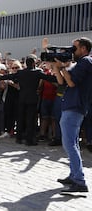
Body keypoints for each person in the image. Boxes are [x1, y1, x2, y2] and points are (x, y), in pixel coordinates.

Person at [51, 37, 92, 193]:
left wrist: (62, 67)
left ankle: (80, 181)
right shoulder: (80, 63)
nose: (71, 51)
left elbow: (72, 82)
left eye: (74, 48)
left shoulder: (86, 62)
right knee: (71, 143)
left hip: (76, 106)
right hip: (71, 105)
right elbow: (63, 82)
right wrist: (56, 67)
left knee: (69, 144)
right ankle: (73, 174)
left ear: (83, 49)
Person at [0, 54, 57, 146]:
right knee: (31, 119)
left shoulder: (21, 72)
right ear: (34, 63)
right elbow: (49, 78)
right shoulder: (37, 73)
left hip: (22, 98)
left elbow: (10, 76)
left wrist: (0, 77)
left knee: (20, 118)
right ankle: (29, 140)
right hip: (32, 99)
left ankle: (19, 138)